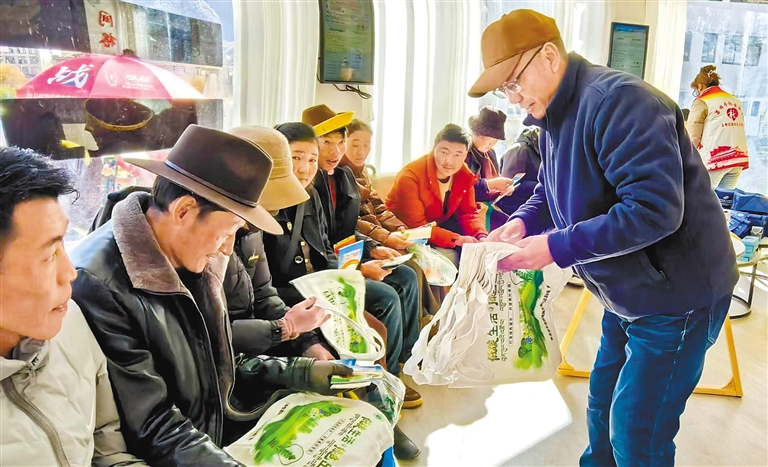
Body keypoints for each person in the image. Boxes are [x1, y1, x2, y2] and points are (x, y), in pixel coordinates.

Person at [470, 10, 737, 467]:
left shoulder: (621, 103)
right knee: (601, 409)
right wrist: (525, 222)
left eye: (514, 82)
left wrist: (556, 247)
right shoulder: (553, 114)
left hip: (677, 295)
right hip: (626, 291)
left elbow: (654, 210)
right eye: (504, 90)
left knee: (637, 433)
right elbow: (552, 187)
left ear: (549, 56)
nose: (513, 98)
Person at [70, 125, 352, 465]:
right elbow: (154, 426)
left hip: (210, 437)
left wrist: (300, 371)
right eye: (226, 232)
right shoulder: (101, 285)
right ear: (184, 211)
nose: (227, 248)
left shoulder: (190, 257)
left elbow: (218, 366)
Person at [261, 121, 422, 460]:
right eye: (295, 158)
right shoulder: (262, 205)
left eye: (310, 159)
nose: (305, 168)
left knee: (381, 314)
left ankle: (382, 404)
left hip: (321, 284)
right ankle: (376, 412)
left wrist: (350, 271)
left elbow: (325, 248)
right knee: (365, 324)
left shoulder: (311, 195)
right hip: (290, 297)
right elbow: (264, 287)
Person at [0, 147, 144, 466]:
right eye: (49, 255)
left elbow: (107, 445)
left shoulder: (69, 320)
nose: (70, 272)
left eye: (63, 243)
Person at [293, 111, 424, 410]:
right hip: (326, 270)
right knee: (387, 297)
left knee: (406, 275)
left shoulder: (343, 177)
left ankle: (406, 357)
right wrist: (359, 267)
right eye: (326, 143)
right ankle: (387, 378)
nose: (335, 151)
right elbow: (319, 248)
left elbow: (347, 228)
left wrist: (373, 248)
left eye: (340, 143)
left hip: (344, 259)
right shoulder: (307, 185)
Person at [340, 119, 440, 317]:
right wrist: (385, 238)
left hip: (377, 238)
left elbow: (379, 208)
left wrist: (400, 229)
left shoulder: (362, 172)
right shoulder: (339, 174)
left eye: (366, 145)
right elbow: (352, 222)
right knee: (411, 267)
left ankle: (430, 318)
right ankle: (426, 318)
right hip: (362, 245)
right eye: (355, 145)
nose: (361, 151)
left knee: (424, 259)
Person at [386, 124, 488, 264]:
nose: (449, 161)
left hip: (435, 225)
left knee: (480, 252)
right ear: (434, 149)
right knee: (449, 258)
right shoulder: (410, 176)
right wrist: (457, 239)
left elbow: (468, 213)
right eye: (444, 152)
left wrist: (481, 235)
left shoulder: (464, 175)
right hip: (404, 231)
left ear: (465, 156)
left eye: (457, 155)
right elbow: (417, 225)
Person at [687, 65, 749, 189]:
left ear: (700, 86)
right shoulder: (734, 101)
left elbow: (693, 137)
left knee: (702, 198)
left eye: (695, 90)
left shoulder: (703, 101)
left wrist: (686, 158)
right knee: (723, 198)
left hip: (715, 160)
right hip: (738, 159)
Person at [466, 106, 518, 230]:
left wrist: (504, 188)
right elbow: (462, 188)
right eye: (488, 138)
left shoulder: (490, 152)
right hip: (470, 208)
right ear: (475, 133)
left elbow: (496, 177)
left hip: (492, 203)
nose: (492, 143)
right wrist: (491, 184)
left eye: (495, 140)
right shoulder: (464, 152)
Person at [499, 127, 542, 214]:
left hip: (529, 202)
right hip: (514, 206)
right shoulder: (519, 149)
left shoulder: (537, 151)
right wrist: (542, 186)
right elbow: (510, 184)